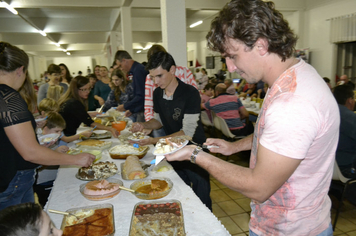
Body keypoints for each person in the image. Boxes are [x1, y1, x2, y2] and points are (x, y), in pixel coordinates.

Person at [165, 1, 340, 235]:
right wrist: (234, 146)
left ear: (261, 45)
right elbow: (276, 137)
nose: (230, 67)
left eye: (232, 56)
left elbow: (259, 187)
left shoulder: (292, 103)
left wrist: (195, 155)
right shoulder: (295, 75)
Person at [0, 42, 95, 211]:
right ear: (21, 70)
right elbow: (30, 152)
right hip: (12, 181)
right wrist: (76, 159)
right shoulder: (8, 98)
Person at [130, 51, 212, 210]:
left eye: (159, 76)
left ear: (172, 70)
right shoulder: (157, 93)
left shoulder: (190, 93)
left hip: (195, 151)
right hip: (174, 150)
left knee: (202, 198)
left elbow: (187, 132)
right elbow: (158, 121)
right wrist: (145, 125)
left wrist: (154, 141)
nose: (155, 81)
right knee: (181, 194)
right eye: (152, 77)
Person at [144, 44, 198, 123]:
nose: (156, 81)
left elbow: (195, 97)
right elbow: (149, 104)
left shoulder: (185, 71)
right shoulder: (150, 77)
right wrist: (149, 124)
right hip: (160, 121)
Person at [114, 50, 148, 122]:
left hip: (144, 111)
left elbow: (141, 96)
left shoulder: (138, 70)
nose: (121, 69)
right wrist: (132, 110)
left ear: (124, 60)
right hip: (140, 109)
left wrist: (125, 106)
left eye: (120, 65)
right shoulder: (135, 70)